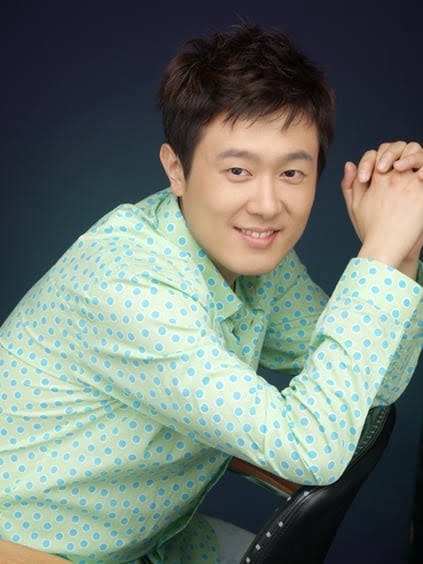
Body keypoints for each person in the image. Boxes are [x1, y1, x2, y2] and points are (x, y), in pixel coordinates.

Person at [0, 19, 422, 564]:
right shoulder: (128, 285)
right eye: (238, 170)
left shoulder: (254, 259)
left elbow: (377, 382)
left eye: (292, 174)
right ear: (176, 169)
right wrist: (379, 252)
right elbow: (309, 448)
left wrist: (402, 251)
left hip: (146, 541)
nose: (267, 205)